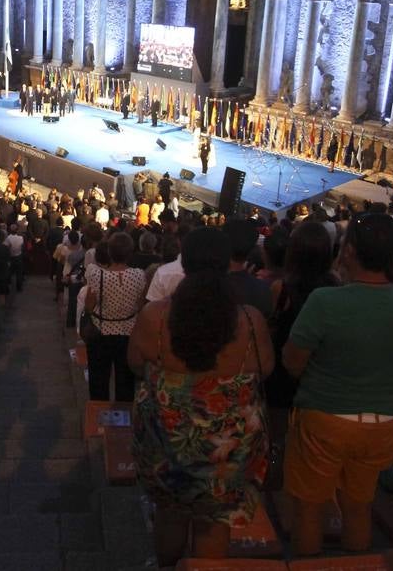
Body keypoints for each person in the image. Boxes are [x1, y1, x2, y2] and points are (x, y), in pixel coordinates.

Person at [281, 212, 393, 557]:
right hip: (383, 424)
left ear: (348, 251)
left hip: (325, 420)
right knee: (359, 506)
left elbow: (292, 361)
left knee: (309, 508)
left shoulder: (326, 301)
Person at [129, 226, 274, 566]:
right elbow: (265, 369)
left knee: (169, 514)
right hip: (228, 447)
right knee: (216, 521)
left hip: (167, 441)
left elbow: (135, 363)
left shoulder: (155, 316)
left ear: (185, 262)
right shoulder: (250, 320)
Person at [265, 220, 336, 490]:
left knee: (277, 430)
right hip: (317, 365)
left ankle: (276, 475)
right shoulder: (334, 286)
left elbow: (271, 324)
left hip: (283, 367)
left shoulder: (282, 288)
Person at [83, 231, 148, 401]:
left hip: (100, 330)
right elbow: (141, 304)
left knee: (98, 380)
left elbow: (89, 303)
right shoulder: (139, 275)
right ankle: (124, 413)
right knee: (125, 382)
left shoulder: (96, 274)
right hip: (128, 332)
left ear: (109, 252)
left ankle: (99, 412)